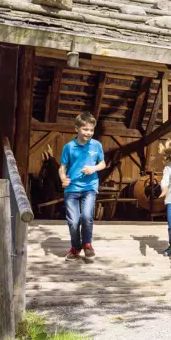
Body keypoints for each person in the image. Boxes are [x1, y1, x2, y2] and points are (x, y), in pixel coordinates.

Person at [59, 112, 105, 261]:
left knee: (86, 216)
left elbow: (102, 164)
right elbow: (62, 167)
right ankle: (75, 247)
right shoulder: (68, 147)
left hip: (90, 187)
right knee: (73, 222)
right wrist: (63, 178)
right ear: (77, 129)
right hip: (71, 189)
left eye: (91, 130)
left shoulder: (97, 145)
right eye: (85, 129)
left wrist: (93, 168)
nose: (88, 133)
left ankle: (87, 244)